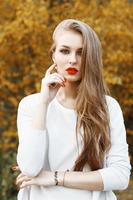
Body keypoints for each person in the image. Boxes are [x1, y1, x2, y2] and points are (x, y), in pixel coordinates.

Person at [15, 19, 131, 200]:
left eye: (81, 53)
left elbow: (120, 176)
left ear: (90, 58)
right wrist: (44, 103)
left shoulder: (108, 107)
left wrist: (55, 178)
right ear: (53, 55)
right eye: (64, 51)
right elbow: (30, 167)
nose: (72, 60)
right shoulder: (31, 105)